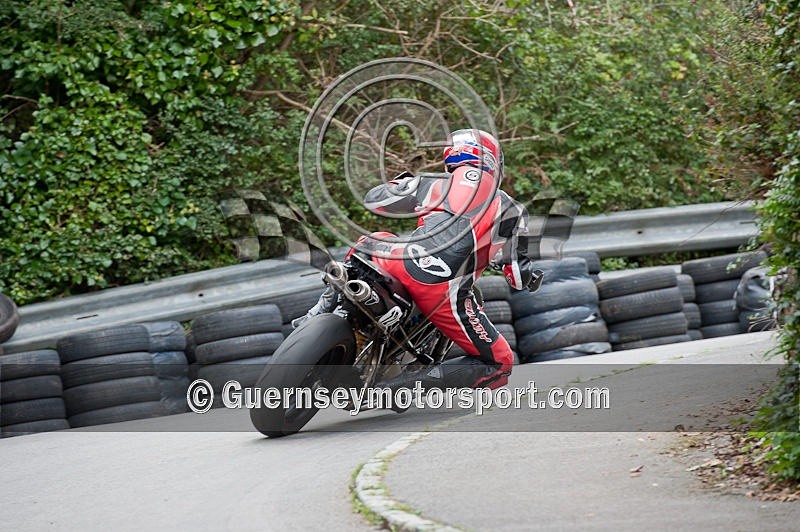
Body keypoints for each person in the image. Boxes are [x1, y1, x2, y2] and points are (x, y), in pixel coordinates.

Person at [296, 129, 543, 391]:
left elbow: (374, 200)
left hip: (396, 260)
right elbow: (516, 275)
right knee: (500, 363)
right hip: (442, 287)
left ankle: (316, 313)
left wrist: (403, 184)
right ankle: (397, 390)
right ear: (494, 160)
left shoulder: (431, 183)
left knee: (375, 238)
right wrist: (530, 278)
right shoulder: (510, 208)